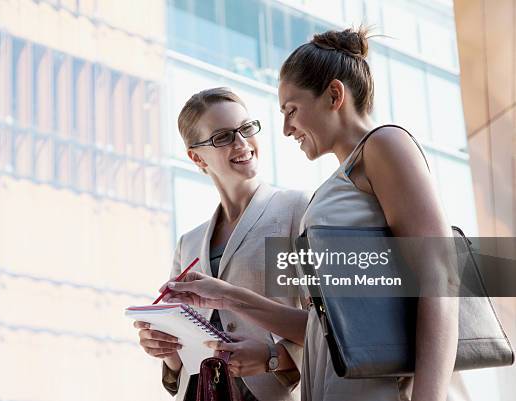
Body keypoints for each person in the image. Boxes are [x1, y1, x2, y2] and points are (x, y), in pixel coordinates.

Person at [164, 27, 469, 401]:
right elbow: (325, 326)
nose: (286, 128)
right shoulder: (334, 186)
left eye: (291, 110)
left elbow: (440, 277)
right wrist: (225, 298)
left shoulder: (386, 144)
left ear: (334, 95)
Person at [133, 87, 311, 401]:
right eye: (222, 137)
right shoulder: (188, 244)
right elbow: (185, 347)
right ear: (196, 157)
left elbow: (326, 324)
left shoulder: (295, 211)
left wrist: (273, 357)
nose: (242, 143)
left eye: (246, 129)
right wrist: (167, 350)